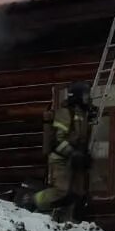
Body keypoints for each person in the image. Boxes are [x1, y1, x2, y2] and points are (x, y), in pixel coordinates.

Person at [39, 82, 95, 222]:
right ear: (77, 96)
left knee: (77, 192)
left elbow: (80, 136)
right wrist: (74, 154)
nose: (87, 98)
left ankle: (68, 220)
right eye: (85, 95)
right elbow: (58, 141)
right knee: (61, 191)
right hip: (60, 158)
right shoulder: (65, 113)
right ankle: (32, 201)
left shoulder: (82, 113)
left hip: (75, 158)